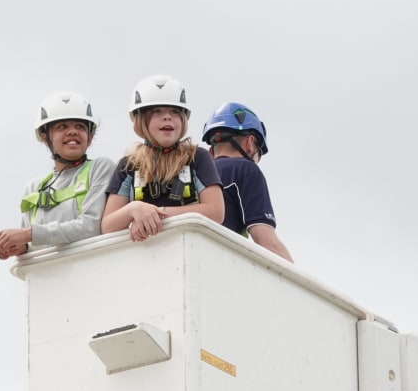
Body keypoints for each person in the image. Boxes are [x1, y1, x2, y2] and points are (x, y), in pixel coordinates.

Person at [0, 91, 115, 259]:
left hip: (91, 268)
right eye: (62, 127)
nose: (72, 132)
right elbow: (34, 246)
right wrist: (20, 248)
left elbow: (92, 226)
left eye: (80, 126)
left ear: (90, 137)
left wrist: (29, 234)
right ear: (45, 138)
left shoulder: (100, 168)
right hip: (50, 274)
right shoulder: (34, 188)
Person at [100, 75, 224, 242]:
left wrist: (156, 214)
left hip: (190, 247)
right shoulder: (128, 165)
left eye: (174, 111)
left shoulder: (197, 157)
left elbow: (215, 211)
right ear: (140, 119)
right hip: (143, 253)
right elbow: (108, 226)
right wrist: (134, 209)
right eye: (156, 111)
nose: (167, 117)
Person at [202, 102, 293, 262]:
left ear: (211, 151)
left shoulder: (194, 173)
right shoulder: (246, 170)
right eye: (259, 154)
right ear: (250, 143)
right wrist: (295, 275)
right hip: (220, 265)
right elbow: (266, 241)